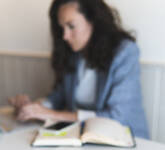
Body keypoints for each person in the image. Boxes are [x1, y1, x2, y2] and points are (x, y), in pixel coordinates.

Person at [9, 0, 149, 138]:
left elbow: (118, 116)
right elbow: (58, 97)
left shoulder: (125, 52)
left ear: (93, 21)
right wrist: (33, 107)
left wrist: (51, 114)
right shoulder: (73, 54)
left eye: (71, 26)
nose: (65, 36)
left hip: (125, 140)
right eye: (62, 28)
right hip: (81, 139)